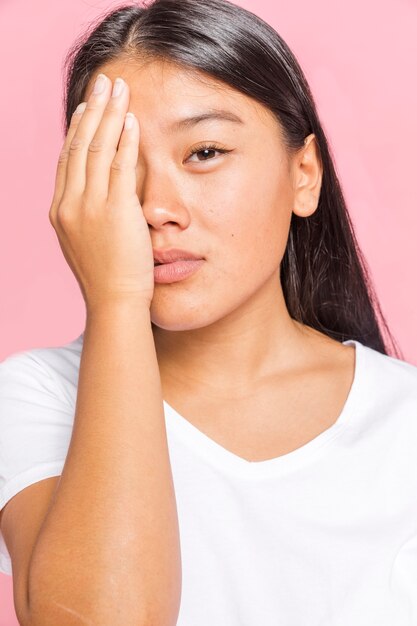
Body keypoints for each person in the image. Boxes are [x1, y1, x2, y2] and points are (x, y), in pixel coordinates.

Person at [1, 0, 416, 624]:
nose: (155, 207)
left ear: (304, 173)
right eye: (116, 168)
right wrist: (116, 300)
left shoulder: (405, 421)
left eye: (204, 153)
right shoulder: (34, 397)